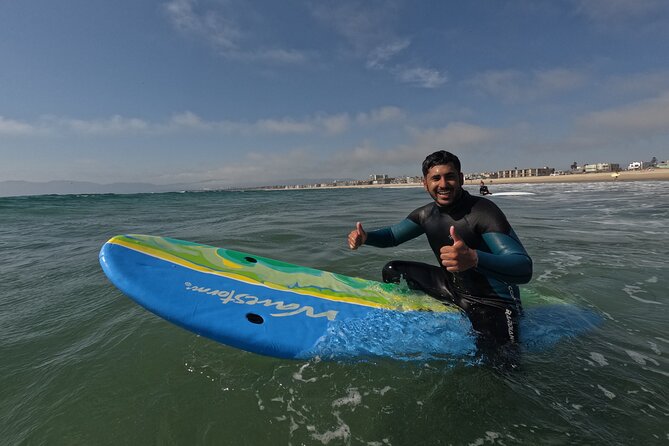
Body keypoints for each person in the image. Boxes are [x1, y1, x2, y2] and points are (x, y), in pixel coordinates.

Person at [347, 150, 532, 355]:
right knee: (393, 270)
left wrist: (474, 258)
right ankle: (415, 318)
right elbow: (392, 235)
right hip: (453, 289)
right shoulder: (426, 214)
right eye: (436, 178)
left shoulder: (483, 212)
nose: (443, 184)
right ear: (425, 183)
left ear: (461, 179)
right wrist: (366, 238)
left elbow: (523, 267)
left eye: (450, 176)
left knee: (500, 363)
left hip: (493, 302)